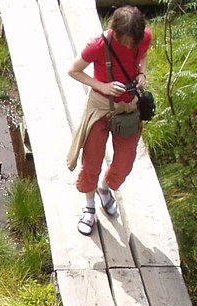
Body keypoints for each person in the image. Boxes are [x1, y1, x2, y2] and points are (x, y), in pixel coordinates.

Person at [66, 5, 151, 235]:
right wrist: (103, 86)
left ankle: (106, 187)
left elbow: (143, 54)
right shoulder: (99, 45)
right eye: (126, 42)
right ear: (115, 32)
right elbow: (73, 70)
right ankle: (89, 206)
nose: (131, 46)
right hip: (101, 107)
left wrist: (142, 73)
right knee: (91, 161)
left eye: (134, 41)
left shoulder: (143, 36)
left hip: (128, 108)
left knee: (125, 163)